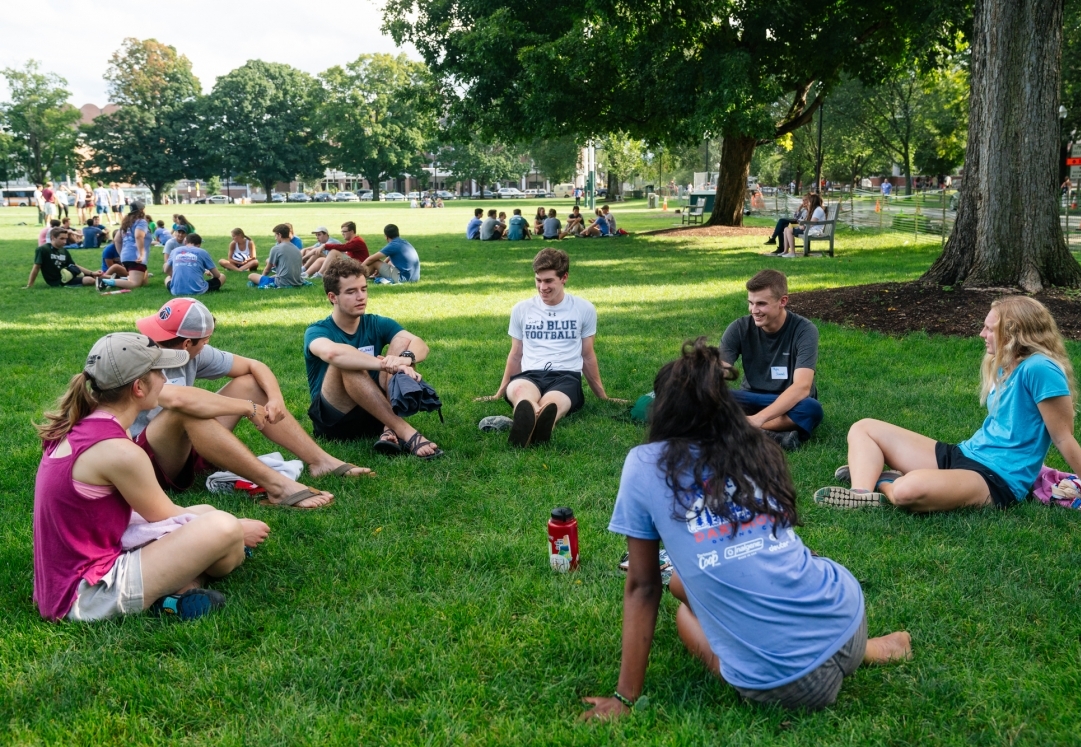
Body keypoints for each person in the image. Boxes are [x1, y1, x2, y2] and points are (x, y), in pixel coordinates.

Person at [580, 340, 911, 720]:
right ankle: (866, 649)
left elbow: (642, 585)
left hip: (787, 685)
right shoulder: (754, 447)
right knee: (687, 582)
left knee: (685, 616)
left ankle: (809, 655)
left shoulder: (644, 464)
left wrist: (624, 698)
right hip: (847, 617)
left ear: (664, 410)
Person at [32, 332, 272, 622]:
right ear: (138, 388)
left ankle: (176, 591)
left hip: (71, 575)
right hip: (86, 594)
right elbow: (166, 515)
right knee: (222, 529)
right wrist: (236, 528)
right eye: (160, 372)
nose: (166, 380)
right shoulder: (119, 451)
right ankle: (174, 594)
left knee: (208, 513)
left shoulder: (91, 423)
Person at [815, 296, 1081, 516]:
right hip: (965, 454)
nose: (982, 334)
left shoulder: (1040, 369)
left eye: (990, 329)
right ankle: (860, 493)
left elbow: (1063, 437)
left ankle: (885, 482)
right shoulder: (1006, 365)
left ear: (1015, 333)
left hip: (997, 479)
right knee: (864, 428)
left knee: (907, 490)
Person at [130, 298, 368, 508]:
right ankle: (278, 487)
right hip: (145, 463)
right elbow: (179, 399)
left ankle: (320, 461)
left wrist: (276, 399)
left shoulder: (193, 351)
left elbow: (255, 366)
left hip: (186, 448)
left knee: (249, 384)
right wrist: (247, 407)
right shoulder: (140, 358)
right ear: (189, 344)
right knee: (186, 411)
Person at [478, 248, 624, 447]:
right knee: (522, 395)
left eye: (548, 281)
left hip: (566, 376)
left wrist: (603, 396)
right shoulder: (522, 309)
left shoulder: (583, 308)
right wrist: (498, 393)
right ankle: (529, 421)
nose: (542, 287)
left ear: (564, 277)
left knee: (552, 405)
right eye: (538, 280)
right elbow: (515, 355)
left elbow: (588, 355)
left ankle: (540, 423)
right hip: (529, 375)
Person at [304, 258, 443, 459]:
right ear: (333, 297)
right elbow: (333, 353)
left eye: (364, 289)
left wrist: (404, 359)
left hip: (375, 412)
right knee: (346, 362)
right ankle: (407, 433)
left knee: (402, 342)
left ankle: (389, 428)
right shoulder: (317, 330)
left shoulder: (376, 323)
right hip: (335, 421)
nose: (361, 297)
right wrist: (386, 365)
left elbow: (420, 344)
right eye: (351, 292)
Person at [719, 270, 822, 452]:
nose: (753, 310)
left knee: (811, 409)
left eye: (761, 304)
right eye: (750, 303)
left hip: (790, 400)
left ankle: (741, 427)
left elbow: (802, 387)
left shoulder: (804, 330)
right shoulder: (739, 328)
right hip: (749, 396)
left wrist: (757, 419)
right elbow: (721, 369)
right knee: (704, 397)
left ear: (782, 301)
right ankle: (774, 434)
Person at [97, 201, 151, 291]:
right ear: (142, 210)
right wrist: (141, 254)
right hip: (135, 257)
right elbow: (138, 236)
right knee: (135, 284)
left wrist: (121, 254)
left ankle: (118, 279)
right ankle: (104, 281)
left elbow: (117, 240)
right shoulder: (141, 222)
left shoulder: (126, 223)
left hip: (126, 256)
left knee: (144, 283)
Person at [25, 227, 102, 288]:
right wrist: (30, 285)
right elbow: (36, 267)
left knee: (98, 275)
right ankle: (109, 283)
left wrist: (92, 272)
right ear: (53, 237)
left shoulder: (63, 250)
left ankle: (112, 280)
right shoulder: (43, 249)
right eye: (62, 239)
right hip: (59, 280)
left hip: (70, 273)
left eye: (66, 239)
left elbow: (73, 265)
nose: (65, 242)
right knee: (90, 280)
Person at [304, 221, 370, 277]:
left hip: (358, 267)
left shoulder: (357, 241)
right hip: (352, 263)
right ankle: (305, 274)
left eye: (344, 231)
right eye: (342, 232)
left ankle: (319, 275)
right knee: (321, 259)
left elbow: (343, 247)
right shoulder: (353, 240)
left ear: (352, 231)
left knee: (334, 252)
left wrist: (324, 246)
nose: (342, 234)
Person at [780, 194, 824, 258]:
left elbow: (811, 223)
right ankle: (785, 251)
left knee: (789, 229)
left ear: (813, 201)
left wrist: (803, 226)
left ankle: (792, 252)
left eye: (809, 201)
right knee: (786, 228)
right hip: (808, 228)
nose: (807, 202)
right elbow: (806, 220)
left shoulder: (818, 210)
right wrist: (802, 224)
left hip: (813, 231)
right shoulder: (813, 209)